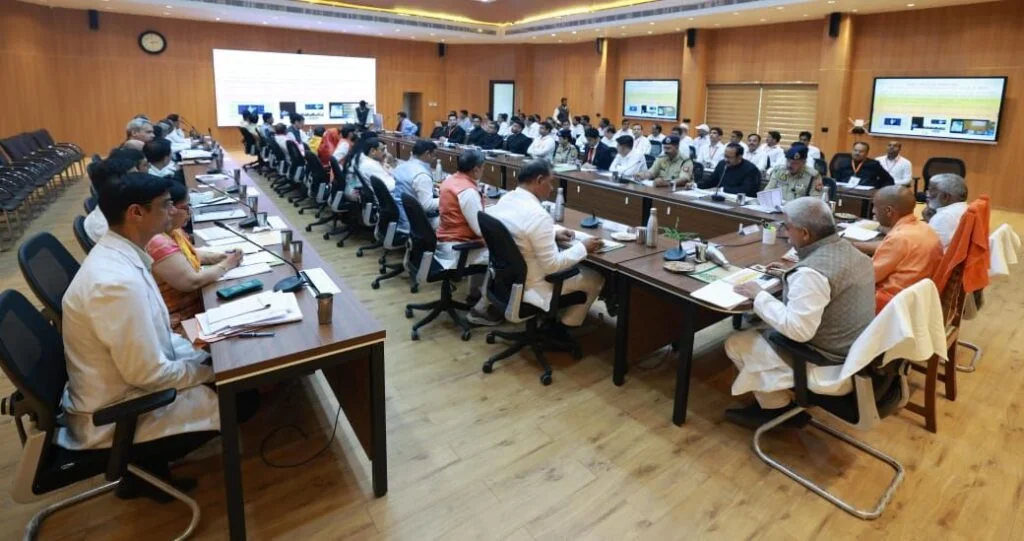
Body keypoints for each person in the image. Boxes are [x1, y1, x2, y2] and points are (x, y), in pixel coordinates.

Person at [61, 171, 257, 500]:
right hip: (120, 411)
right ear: (136, 213)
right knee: (243, 396)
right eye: (166, 205)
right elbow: (148, 375)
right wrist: (213, 372)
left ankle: (147, 472)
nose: (173, 211)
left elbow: (156, 337)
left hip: (125, 385)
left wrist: (201, 356)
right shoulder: (116, 285)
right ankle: (146, 467)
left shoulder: (121, 256)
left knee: (225, 369)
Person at [723, 197, 875, 428]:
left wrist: (759, 295)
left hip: (828, 363)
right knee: (766, 325)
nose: (785, 233)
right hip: (854, 351)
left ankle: (777, 409)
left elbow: (798, 331)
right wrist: (790, 274)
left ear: (804, 233)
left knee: (736, 342)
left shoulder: (810, 274)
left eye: (787, 227)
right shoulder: (851, 251)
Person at [487, 160, 606, 328]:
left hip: (508, 281)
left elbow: (519, 230)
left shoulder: (507, 199)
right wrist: (583, 247)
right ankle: (565, 326)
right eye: (550, 182)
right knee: (596, 278)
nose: (551, 188)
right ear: (539, 180)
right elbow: (552, 266)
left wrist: (552, 233)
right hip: (537, 285)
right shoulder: (538, 215)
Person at [146, 181, 242, 331]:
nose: (190, 212)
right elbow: (192, 282)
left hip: (197, 305)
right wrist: (227, 265)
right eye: (186, 207)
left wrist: (219, 257)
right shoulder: (157, 242)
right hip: (180, 321)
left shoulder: (173, 231)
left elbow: (188, 254)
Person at [854, 186, 942, 311]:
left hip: (892, 303)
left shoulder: (899, 238)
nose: (873, 211)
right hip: (918, 299)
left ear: (889, 211)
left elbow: (869, 277)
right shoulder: (925, 228)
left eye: (875, 206)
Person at [436, 150, 492, 322]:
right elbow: (480, 230)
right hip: (457, 248)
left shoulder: (450, 180)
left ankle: (473, 294)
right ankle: (482, 308)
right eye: (483, 168)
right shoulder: (468, 191)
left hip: (444, 241)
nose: (483, 171)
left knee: (487, 247)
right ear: (475, 169)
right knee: (502, 255)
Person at [84, 154, 141, 243]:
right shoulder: (107, 227)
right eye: (136, 178)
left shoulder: (115, 207)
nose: (142, 180)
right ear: (118, 186)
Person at [392, 140, 440, 232]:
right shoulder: (422, 175)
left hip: (400, 215)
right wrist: (446, 199)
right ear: (427, 154)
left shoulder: (400, 166)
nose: (434, 158)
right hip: (414, 221)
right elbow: (427, 205)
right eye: (434, 155)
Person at [923, 173, 969, 249]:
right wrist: (930, 220)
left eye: (931, 191)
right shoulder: (964, 207)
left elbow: (927, 248)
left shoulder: (943, 217)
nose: (927, 195)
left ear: (945, 197)